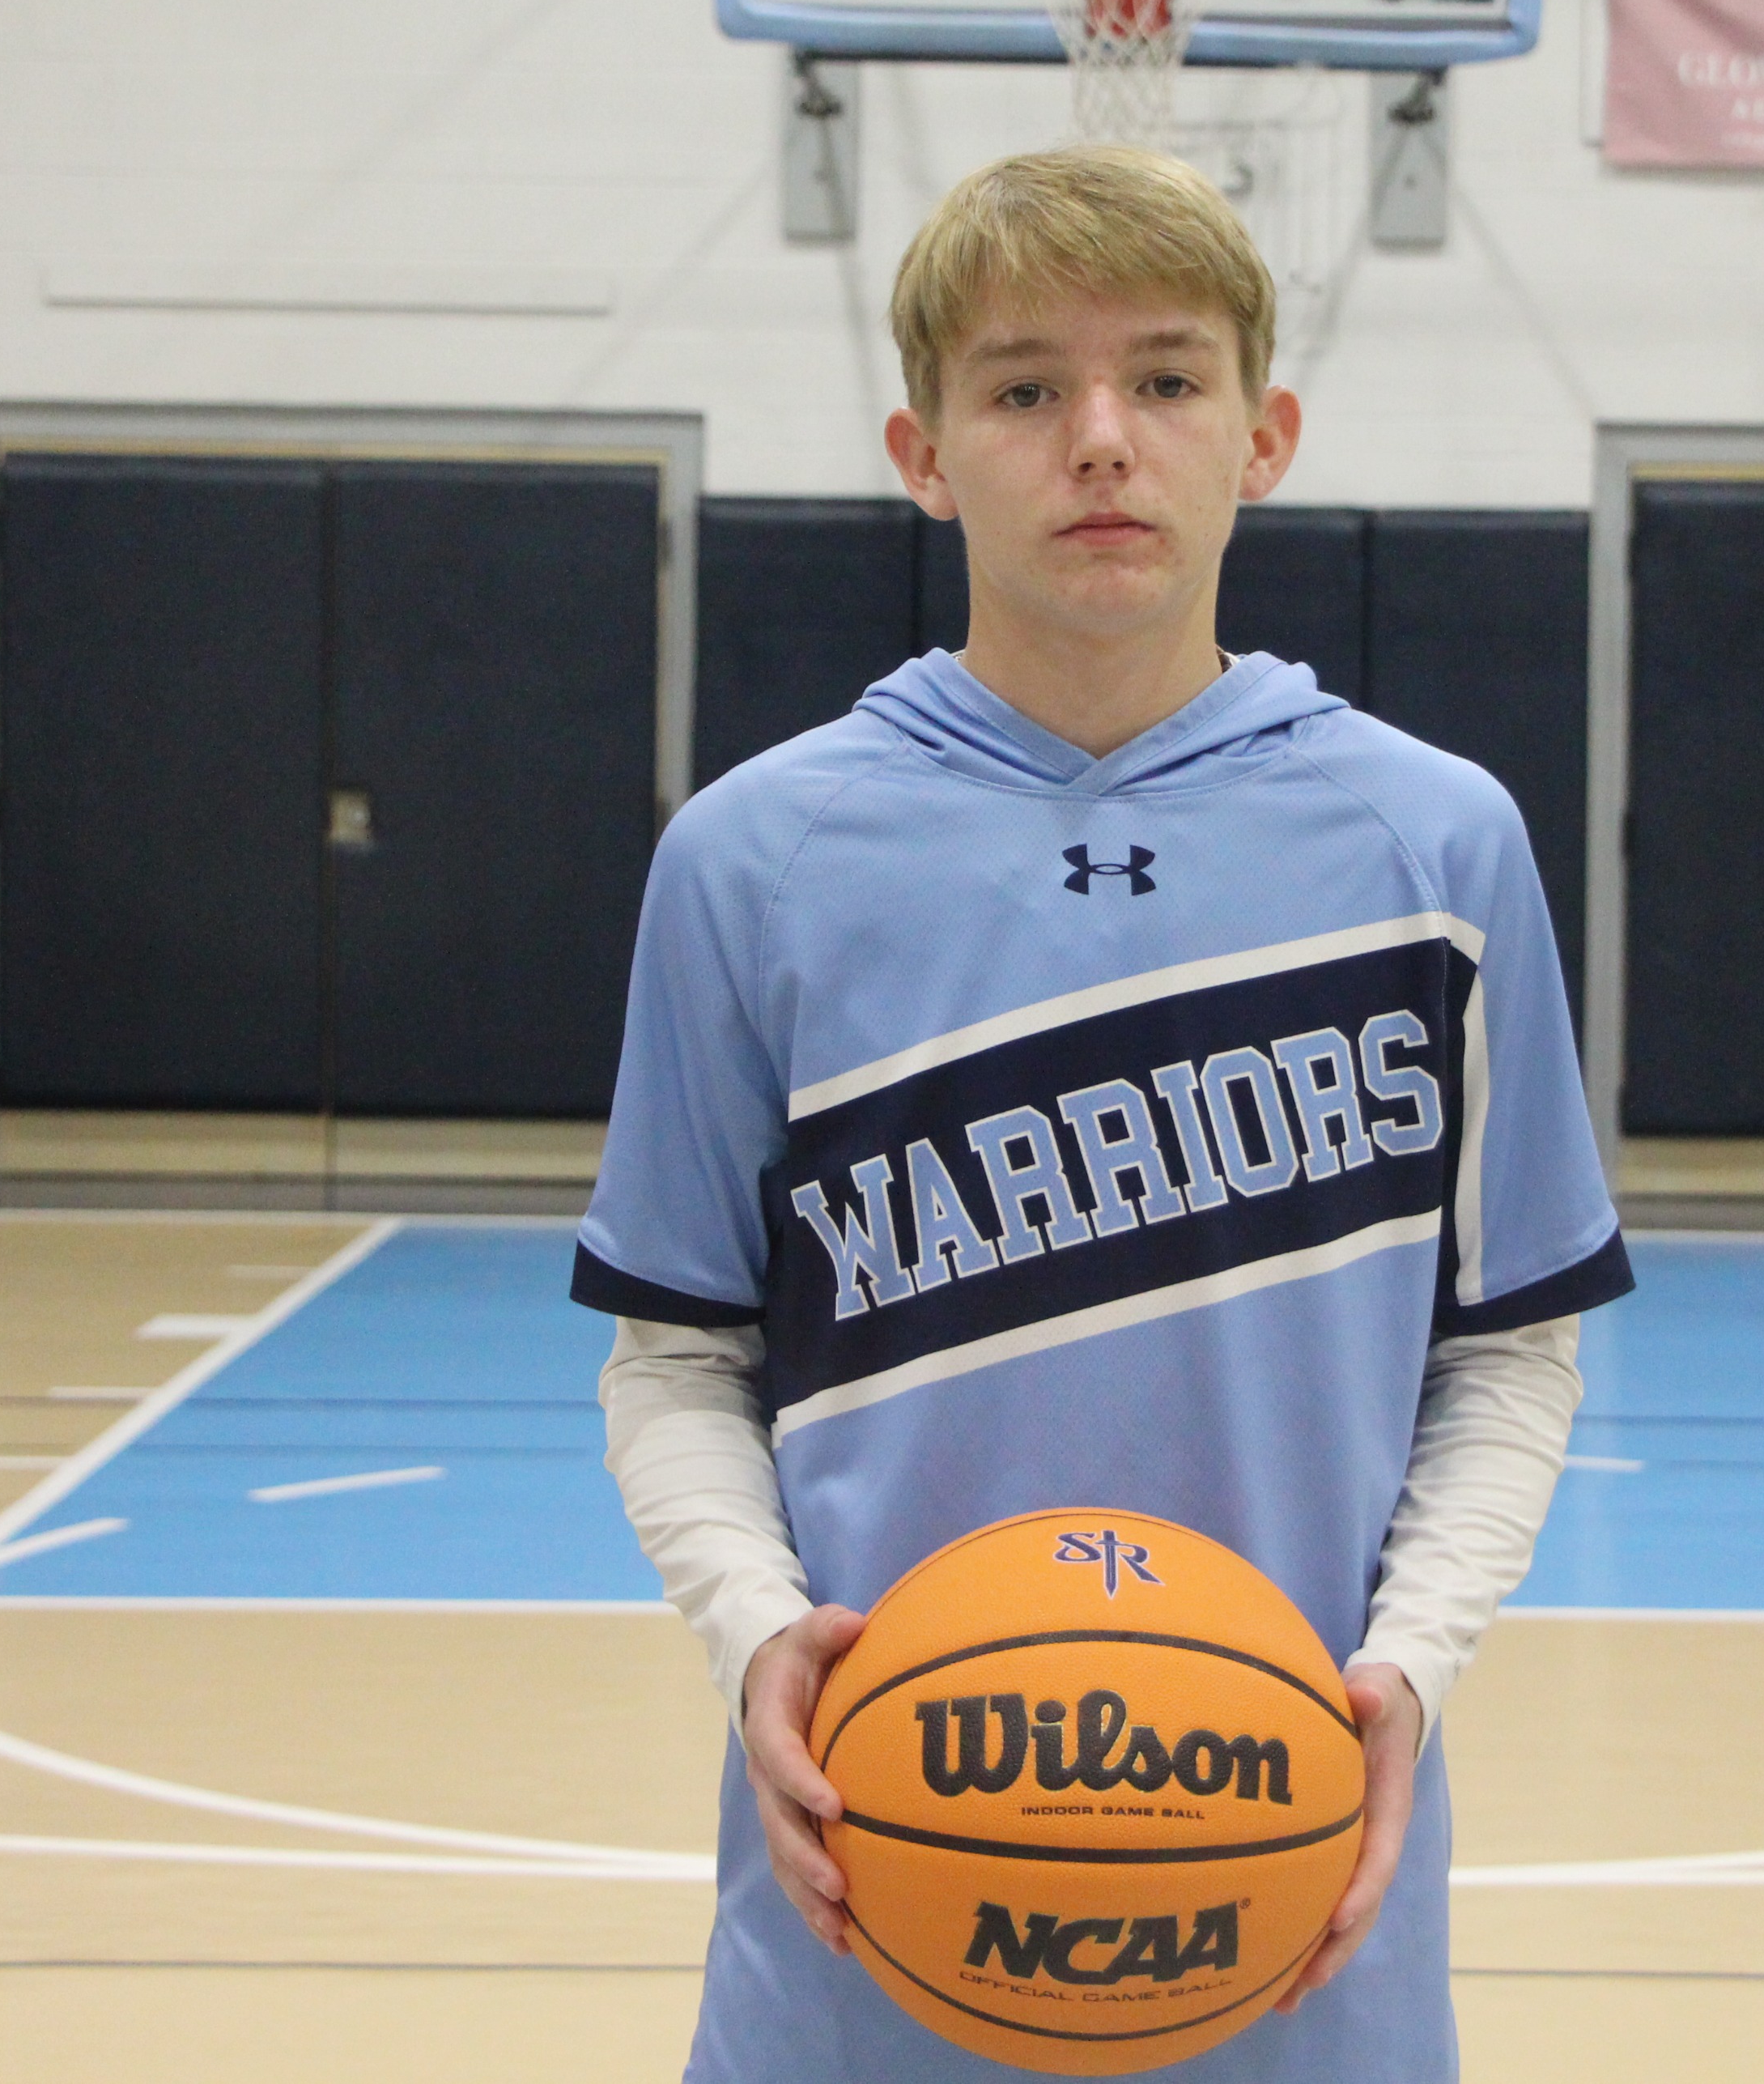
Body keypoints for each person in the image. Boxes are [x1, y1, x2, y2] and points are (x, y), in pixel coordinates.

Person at [572, 142, 1630, 2082]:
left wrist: (1401, 1671)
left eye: (1162, 379)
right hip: (873, 1896)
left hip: (1293, 1903)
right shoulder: (754, 857)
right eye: (1021, 389)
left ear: (1262, 434)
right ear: (921, 453)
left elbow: (1502, 1357)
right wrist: (754, 1630)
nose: (1099, 441)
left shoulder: (1433, 844)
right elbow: (676, 1358)